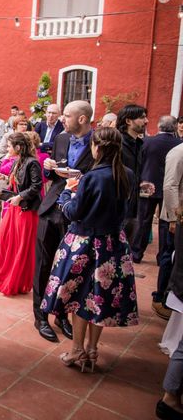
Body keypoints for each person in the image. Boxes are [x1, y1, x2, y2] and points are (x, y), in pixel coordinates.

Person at [42, 127, 138, 372]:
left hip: (85, 243)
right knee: (101, 299)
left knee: (80, 299)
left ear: (97, 148)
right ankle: (92, 350)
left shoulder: (92, 177)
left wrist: (66, 194)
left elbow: (74, 212)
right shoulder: (128, 174)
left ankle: (76, 350)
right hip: (114, 245)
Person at [33, 100, 95, 343]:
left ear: (82, 119)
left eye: (66, 115)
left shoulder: (97, 144)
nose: (62, 119)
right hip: (50, 209)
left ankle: (61, 316)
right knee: (43, 264)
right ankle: (40, 316)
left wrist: (77, 176)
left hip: (77, 213)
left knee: (70, 267)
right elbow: (51, 174)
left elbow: (98, 176)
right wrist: (48, 167)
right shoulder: (61, 139)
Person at [0, 133, 42, 295]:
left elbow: (36, 185)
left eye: (9, 146)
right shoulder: (18, 161)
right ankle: (2, 275)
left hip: (26, 211)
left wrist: (21, 196)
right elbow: (14, 181)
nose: (7, 149)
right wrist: (1, 177)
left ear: (18, 147)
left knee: (20, 247)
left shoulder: (33, 162)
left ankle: (15, 281)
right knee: (3, 241)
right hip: (15, 209)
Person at [132, 117, 181, 316]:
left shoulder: (148, 142)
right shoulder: (179, 144)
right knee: (164, 224)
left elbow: (141, 162)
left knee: (143, 221)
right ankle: (162, 257)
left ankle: (137, 252)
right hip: (170, 189)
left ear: (159, 127)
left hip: (148, 185)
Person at [155, 142, 183, 419]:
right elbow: (171, 186)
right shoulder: (179, 152)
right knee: (166, 257)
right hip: (176, 219)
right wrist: (175, 217)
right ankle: (160, 295)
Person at [116, 104, 148, 261]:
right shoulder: (118, 143)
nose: (146, 120)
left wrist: (140, 182)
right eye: (142, 117)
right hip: (118, 205)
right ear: (128, 121)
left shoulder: (139, 144)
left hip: (133, 205)